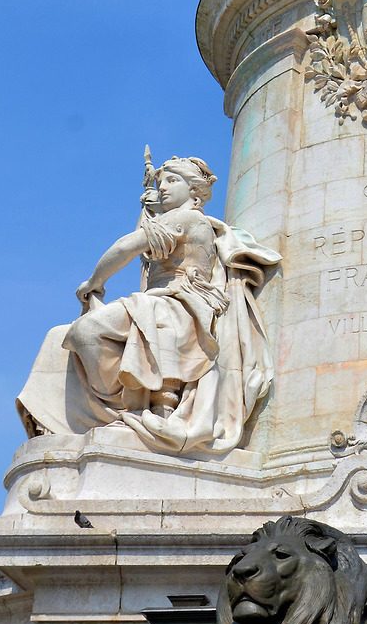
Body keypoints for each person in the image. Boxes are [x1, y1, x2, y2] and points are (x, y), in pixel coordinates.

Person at [17, 156, 280, 456]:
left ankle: (120, 409)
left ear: (195, 191)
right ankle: (114, 410)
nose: (163, 187)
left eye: (172, 180)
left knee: (86, 331)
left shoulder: (189, 219)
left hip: (178, 306)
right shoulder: (172, 220)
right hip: (158, 303)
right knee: (58, 337)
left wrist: (94, 282)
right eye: (160, 182)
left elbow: (126, 247)